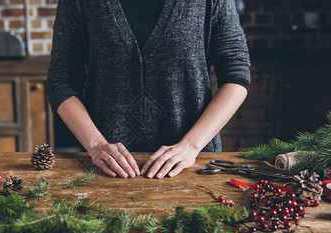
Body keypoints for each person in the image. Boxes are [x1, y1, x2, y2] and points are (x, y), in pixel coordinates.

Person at [47, 0, 250, 179]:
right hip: (105, 171)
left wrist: (191, 145)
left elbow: (236, 75)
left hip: (194, 166)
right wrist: (95, 145)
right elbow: (61, 80)